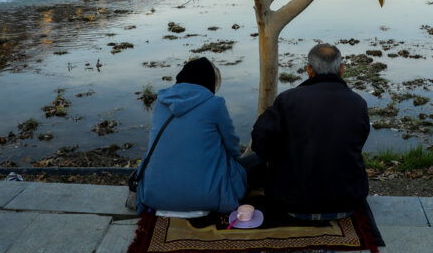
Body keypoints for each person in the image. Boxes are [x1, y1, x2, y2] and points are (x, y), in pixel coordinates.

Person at [251, 43, 369, 218]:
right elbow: (358, 142)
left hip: (291, 203)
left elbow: (260, 141)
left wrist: (280, 159)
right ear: (341, 69)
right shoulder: (358, 103)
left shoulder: (287, 100)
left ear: (309, 70)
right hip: (348, 201)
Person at [135, 57, 247, 214]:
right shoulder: (215, 104)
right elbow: (233, 147)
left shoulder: (161, 103)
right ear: (208, 81)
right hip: (207, 198)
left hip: (155, 197)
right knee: (249, 164)